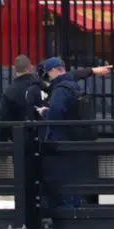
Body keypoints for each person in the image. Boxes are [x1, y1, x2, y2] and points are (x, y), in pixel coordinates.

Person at [39, 57, 89, 209]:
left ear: (54, 70)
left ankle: (66, 216)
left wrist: (45, 112)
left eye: (48, 73)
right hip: (73, 139)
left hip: (60, 141)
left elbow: (56, 115)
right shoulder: (73, 86)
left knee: (61, 182)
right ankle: (75, 211)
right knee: (72, 180)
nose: (48, 77)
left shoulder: (60, 90)